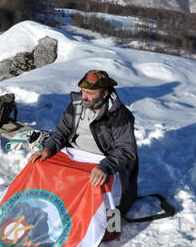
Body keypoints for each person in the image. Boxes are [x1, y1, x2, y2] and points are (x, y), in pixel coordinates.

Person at [33, 67, 139, 213]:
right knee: (40, 164)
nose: (84, 96)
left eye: (90, 93)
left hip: (102, 161)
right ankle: (43, 207)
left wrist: (105, 166)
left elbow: (126, 150)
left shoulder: (120, 115)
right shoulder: (76, 106)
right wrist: (49, 148)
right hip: (74, 156)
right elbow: (62, 132)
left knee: (96, 184)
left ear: (105, 94)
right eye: (83, 91)